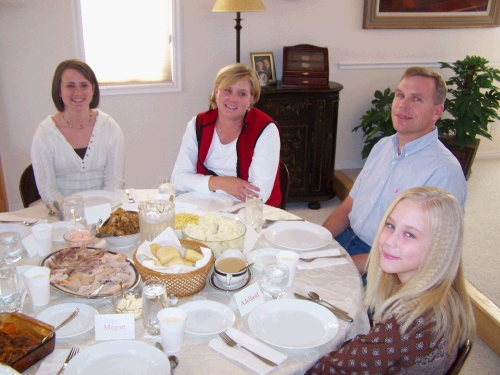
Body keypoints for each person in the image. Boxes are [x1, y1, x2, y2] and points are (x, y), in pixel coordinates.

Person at [307, 186, 476, 374]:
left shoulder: (408, 324)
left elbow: (327, 371)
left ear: (440, 249)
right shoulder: (440, 293)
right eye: (390, 225)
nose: (389, 241)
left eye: (410, 234)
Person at [323, 67, 466, 273]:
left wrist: (353, 266)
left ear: (437, 111)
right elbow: (348, 207)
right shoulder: (383, 146)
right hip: (347, 238)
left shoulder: (443, 172)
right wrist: (317, 240)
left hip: (390, 264)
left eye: (416, 99)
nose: (403, 105)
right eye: (400, 95)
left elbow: (432, 252)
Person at [171, 63, 281, 206]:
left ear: (251, 99)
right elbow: (178, 178)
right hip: (206, 207)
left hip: (253, 213)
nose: (233, 99)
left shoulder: (266, 130)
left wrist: (202, 185)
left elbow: (258, 195)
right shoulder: (197, 124)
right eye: (227, 90)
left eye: (242, 93)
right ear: (216, 91)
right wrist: (222, 183)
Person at [31, 59, 125, 203]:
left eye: (84, 85)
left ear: (93, 89)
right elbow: (48, 190)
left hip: (104, 212)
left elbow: (114, 182)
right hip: (62, 215)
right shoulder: (45, 134)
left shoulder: (110, 128)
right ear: (59, 91)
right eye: (70, 86)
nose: (78, 92)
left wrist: (98, 212)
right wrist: (75, 216)